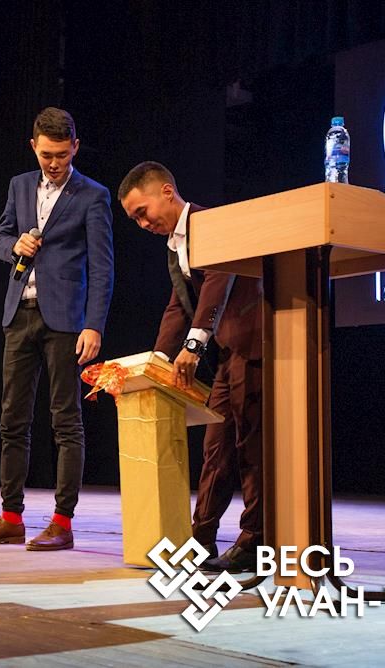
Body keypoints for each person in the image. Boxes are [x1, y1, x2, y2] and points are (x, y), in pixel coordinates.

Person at [0, 107, 114, 551]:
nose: (54, 163)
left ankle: (62, 522)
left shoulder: (93, 195)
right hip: (19, 314)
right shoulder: (19, 185)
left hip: (66, 320)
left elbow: (102, 267)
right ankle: (11, 518)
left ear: (75, 148)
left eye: (62, 155)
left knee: (65, 421)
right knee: (12, 419)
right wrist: (15, 244)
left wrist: (94, 324)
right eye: (47, 155)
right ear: (33, 146)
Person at [117, 161, 263, 572]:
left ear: (166, 191)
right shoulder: (174, 245)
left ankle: (254, 541)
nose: (143, 224)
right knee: (216, 448)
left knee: (250, 446)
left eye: (142, 212)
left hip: (253, 344)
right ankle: (200, 538)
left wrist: (193, 346)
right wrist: (157, 362)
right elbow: (178, 305)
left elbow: (219, 278)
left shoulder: (212, 223)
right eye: (135, 220)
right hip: (228, 353)